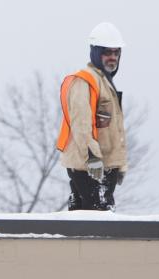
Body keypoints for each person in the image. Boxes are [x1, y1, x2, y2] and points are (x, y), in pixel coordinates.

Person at [56, 22, 129, 211]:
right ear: (96, 53)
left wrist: (119, 165)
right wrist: (93, 157)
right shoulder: (85, 81)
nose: (112, 57)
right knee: (99, 218)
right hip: (90, 167)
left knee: (86, 218)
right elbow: (81, 124)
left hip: (103, 166)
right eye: (107, 52)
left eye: (116, 52)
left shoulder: (105, 83)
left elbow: (113, 130)